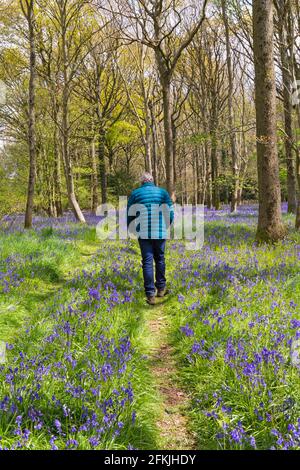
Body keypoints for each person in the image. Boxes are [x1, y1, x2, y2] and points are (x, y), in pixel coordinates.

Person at [127, 173, 174, 305]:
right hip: (160, 232)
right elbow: (170, 211)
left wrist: (131, 228)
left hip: (143, 232)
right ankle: (161, 289)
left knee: (147, 261)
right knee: (160, 258)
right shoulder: (162, 192)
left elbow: (129, 213)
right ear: (152, 181)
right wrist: (167, 224)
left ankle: (150, 295)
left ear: (142, 182)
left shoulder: (136, 194)